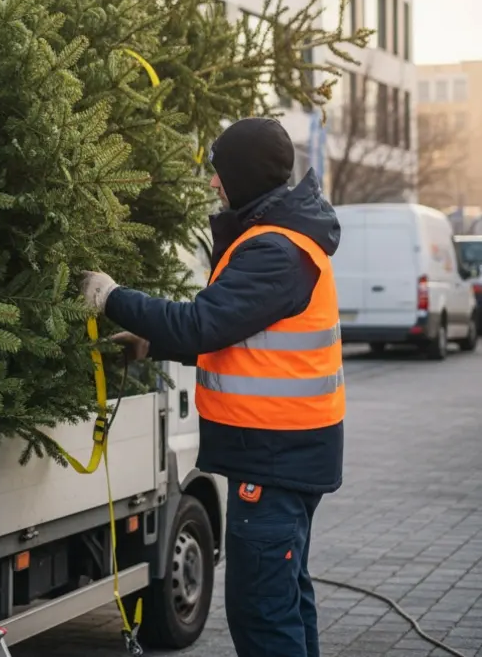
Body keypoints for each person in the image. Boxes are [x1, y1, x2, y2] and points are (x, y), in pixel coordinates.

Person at [80, 118, 344, 657]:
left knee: (262, 612)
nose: (213, 183)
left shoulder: (275, 250)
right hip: (286, 453)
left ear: (245, 175)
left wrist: (112, 297)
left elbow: (202, 323)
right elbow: (240, 337)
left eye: (220, 172)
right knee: (286, 598)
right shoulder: (280, 238)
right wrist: (153, 344)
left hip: (274, 459)